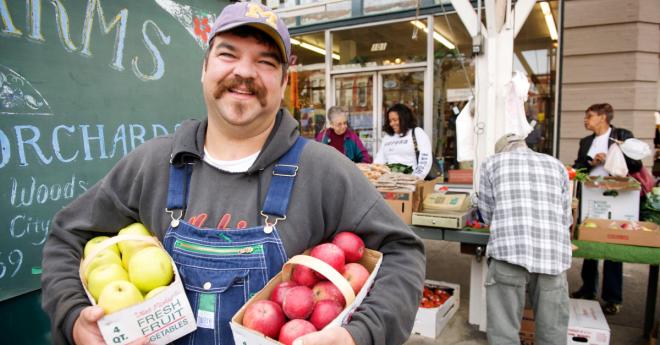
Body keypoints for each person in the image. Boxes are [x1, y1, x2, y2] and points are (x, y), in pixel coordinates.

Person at [40, 3, 426, 345]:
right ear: (205, 67)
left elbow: (402, 253)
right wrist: (74, 317)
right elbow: (68, 235)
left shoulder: (323, 171)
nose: (245, 72)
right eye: (228, 54)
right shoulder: (153, 164)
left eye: (265, 61)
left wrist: (359, 333)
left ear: (284, 82)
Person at [477, 133, 572, 345]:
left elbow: (487, 214)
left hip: (508, 253)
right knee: (553, 331)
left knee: (503, 331)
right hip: (553, 258)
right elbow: (566, 217)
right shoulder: (556, 165)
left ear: (501, 151)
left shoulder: (492, 163)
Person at [571, 103, 642, 315]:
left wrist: (610, 156)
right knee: (590, 241)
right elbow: (579, 169)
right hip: (592, 196)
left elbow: (636, 164)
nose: (586, 120)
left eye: (589, 116)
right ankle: (587, 289)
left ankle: (612, 297)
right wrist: (590, 163)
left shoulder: (621, 135)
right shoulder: (585, 142)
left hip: (617, 196)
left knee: (613, 243)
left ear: (603, 117)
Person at [374, 103, 432, 179]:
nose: (391, 124)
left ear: (404, 118)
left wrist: (416, 178)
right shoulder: (387, 137)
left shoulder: (417, 132)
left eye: (395, 120)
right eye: (390, 121)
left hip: (411, 181)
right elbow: (379, 160)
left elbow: (425, 159)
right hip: (390, 182)